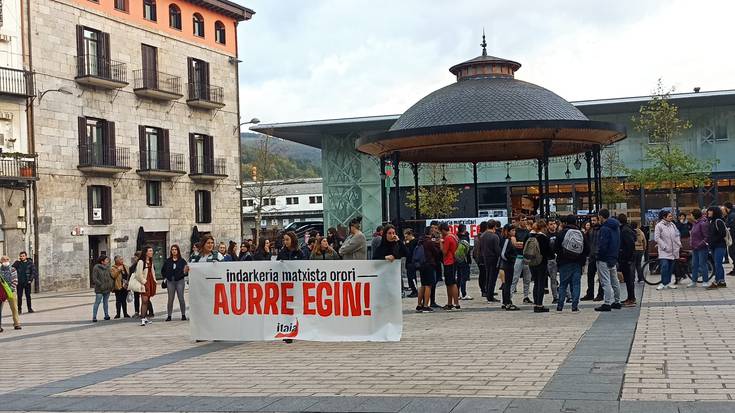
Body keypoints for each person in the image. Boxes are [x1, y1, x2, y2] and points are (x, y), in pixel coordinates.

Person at [554, 215, 589, 312]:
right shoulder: (581, 233)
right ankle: (574, 306)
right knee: (576, 284)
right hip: (577, 263)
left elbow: (556, 248)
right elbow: (587, 249)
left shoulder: (561, 233)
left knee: (563, 284)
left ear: (565, 223)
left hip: (564, 263)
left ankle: (560, 305)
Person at [595, 209, 622, 311]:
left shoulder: (605, 228)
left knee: (605, 281)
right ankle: (617, 301)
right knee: (615, 281)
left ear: (601, 217)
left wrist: (599, 255)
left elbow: (603, 244)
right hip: (613, 257)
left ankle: (607, 303)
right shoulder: (616, 227)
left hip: (604, 258)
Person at [528, 220, 553, 313]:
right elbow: (549, 252)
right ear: (543, 228)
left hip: (531, 262)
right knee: (541, 284)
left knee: (536, 283)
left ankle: (535, 304)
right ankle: (539, 305)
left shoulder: (530, 236)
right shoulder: (544, 238)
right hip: (541, 262)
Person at [415, 227, 442, 313]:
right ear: (430, 232)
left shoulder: (420, 241)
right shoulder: (429, 242)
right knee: (429, 285)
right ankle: (426, 305)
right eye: (433, 231)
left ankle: (419, 305)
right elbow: (436, 253)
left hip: (421, 265)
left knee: (423, 285)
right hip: (429, 264)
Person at [654, 210, 682, 291]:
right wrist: (664, 246)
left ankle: (668, 283)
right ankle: (663, 283)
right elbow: (657, 238)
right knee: (664, 267)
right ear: (664, 217)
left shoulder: (673, 225)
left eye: (671, 216)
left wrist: (679, 244)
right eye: (669, 216)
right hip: (664, 251)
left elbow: (677, 235)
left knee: (670, 268)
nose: (671, 217)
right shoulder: (659, 225)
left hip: (673, 251)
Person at [130, 246, 158, 326]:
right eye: (150, 251)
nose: (151, 252)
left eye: (152, 251)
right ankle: (142, 318)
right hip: (145, 282)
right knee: (144, 300)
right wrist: (144, 282)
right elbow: (138, 274)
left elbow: (153, 272)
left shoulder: (150, 261)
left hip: (150, 281)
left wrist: (154, 281)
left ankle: (145, 317)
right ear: (146, 252)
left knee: (147, 299)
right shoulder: (141, 262)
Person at [162, 244, 189, 321]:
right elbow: (163, 270)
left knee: (181, 298)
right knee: (170, 298)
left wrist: (182, 274)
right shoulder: (168, 261)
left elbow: (186, 271)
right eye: (172, 249)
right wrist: (166, 277)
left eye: (175, 249)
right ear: (171, 251)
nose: (174, 251)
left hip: (179, 280)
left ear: (178, 251)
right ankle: (169, 315)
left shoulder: (182, 261)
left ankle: (183, 314)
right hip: (170, 281)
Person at [511, 219, 532, 304]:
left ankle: (526, 296)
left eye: (525, 220)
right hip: (518, 257)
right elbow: (515, 244)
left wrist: (521, 244)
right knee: (515, 278)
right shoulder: (516, 231)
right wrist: (522, 244)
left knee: (527, 279)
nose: (524, 222)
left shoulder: (528, 231)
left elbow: (529, 244)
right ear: (519, 221)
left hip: (526, 257)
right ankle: (510, 296)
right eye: (522, 220)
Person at [499, 225, 519, 311]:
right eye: (513, 230)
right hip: (508, 264)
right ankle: (507, 302)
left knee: (507, 284)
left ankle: (505, 301)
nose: (514, 232)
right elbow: (503, 254)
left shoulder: (508, 240)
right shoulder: (507, 240)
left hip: (508, 263)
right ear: (508, 231)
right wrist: (510, 260)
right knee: (507, 284)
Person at [618, 214, 637, 306]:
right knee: (629, 279)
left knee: (629, 279)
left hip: (627, 259)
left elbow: (630, 244)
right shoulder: (628, 229)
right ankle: (630, 297)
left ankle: (631, 298)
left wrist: (627, 257)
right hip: (628, 258)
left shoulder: (625, 230)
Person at [707, 206, 728, 289]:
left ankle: (716, 282)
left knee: (718, 264)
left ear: (715, 212)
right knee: (718, 264)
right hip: (713, 246)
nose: (708, 212)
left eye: (710, 211)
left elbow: (723, 234)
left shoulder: (718, 221)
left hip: (720, 246)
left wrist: (714, 240)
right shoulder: (711, 221)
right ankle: (721, 281)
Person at [480, 220, 501, 303]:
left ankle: (488, 293)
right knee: (492, 278)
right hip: (494, 258)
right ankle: (490, 295)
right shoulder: (494, 236)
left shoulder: (483, 236)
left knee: (488, 276)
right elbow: (497, 250)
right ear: (494, 226)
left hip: (485, 258)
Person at [689, 209, 711, 288]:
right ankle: (694, 281)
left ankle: (705, 281)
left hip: (702, 248)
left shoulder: (703, 223)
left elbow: (706, 236)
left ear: (695, 215)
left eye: (691, 214)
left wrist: (700, 244)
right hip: (694, 248)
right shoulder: (695, 223)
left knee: (703, 264)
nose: (690, 216)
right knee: (694, 264)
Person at [581, 218, 601, 301]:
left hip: (599, 256)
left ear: (598, 220)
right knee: (590, 276)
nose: (592, 222)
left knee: (601, 277)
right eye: (592, 220)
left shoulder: (601, 230)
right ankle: (590, 293)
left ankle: (600, 294)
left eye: (594, 220)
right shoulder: (590, 231)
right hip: (592, 256)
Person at [0, 255, 21, 331]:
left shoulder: (13, 269)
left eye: (7, 259)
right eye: (4, 259)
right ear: (1, 261)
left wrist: (11, 289)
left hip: (11, 291)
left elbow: (15, 280)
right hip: (1, 292)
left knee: (14, 308)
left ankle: (17, 324)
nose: (6, 261)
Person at [91, 255, 114, 322]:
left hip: (107, 288)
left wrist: (111, 284)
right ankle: (94, 316)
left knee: (105, 302)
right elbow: (94, 278)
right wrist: (100, 284)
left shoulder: (108, 267)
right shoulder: (96, 267)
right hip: (99, 289)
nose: (108, 261)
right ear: (102, 261)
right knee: (97, 302)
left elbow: (110, 277)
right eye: (106, 260)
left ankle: (106, 315)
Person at [456, 224, 472, 300]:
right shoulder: (465, 238)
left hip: (457, 259)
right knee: (463, 277)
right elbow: (468, 250)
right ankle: (464, 293)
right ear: (464, 229)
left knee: (458, 277)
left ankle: (457, 294)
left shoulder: (456, 237)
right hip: (464, 259)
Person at [547, 220, 560, 304]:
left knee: (564, 278)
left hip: (559, 258)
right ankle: (555, 297)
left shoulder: (559, 234)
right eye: (551, 224)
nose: (553, 226)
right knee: (553, 279)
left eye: (554, 224)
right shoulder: (546, 236)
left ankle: (568, 294)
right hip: (550, 259)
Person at [473, 221, 488, 297]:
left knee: (484, 274)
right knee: (483, 274)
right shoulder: (481, 237)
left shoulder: (477, 237)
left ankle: (486, 289)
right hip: (482, 258)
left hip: (480, 258)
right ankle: (483, 290)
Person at [403, 229, 419, 298]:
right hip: (410, 262)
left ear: (410, 235)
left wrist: (406, 245)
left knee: (412, 277)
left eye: (406, 236)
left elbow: (409, 253)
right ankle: (414, 290)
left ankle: (415, 290)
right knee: (411, 277)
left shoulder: (413, 242)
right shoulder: (412, 242)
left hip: (411, 262)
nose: (405, 238)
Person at [725, 202, 735, 275]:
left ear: (726, 208)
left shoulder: (732, 215)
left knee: (732, 252)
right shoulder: (731, 214)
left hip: (733, 237)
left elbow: (731, 226)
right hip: (732, 236)